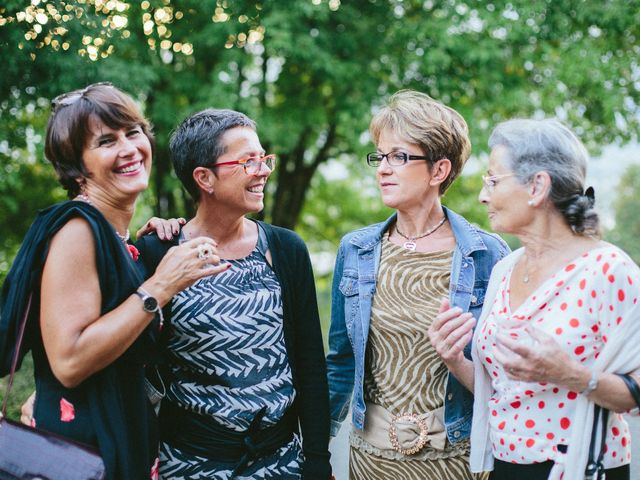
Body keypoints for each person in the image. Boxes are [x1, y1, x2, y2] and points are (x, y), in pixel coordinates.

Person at [0, 83, 227, 479]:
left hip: (121, 442)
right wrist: (160, 286)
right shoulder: (77, 230)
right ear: (77, 165)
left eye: (133, 132)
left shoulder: (115, 238)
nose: (129, 149)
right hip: (84, 455)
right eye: (106, 141)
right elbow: (69, 362)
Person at [135, 108, 333, 479]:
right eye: (248, 161)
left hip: (281, 462)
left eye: (263, 159)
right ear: (204, 178)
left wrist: (318, 460)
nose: (263, 171)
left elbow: (309, 364)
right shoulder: (158, 253)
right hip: (188, 463)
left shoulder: (286, 249)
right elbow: (133, 363)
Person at [326, 90, 509, 479]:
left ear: (438, 171)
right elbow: (341, 363)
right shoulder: (355, 250)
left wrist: (457, 359)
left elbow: (505, 380)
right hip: (370, 462)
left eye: (399, 157)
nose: (382, 168)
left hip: (457, 460)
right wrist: (313, 452)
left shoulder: (487, 254)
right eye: (380, 156)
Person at [451, 118, 640, 479]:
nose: (483, 195)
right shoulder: (504, 269)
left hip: (582, 468)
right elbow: (506, 391)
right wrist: (454, 359)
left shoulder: (608, 271)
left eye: (492, 180)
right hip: (505, 468)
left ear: (537, 186)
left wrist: (572, 375)